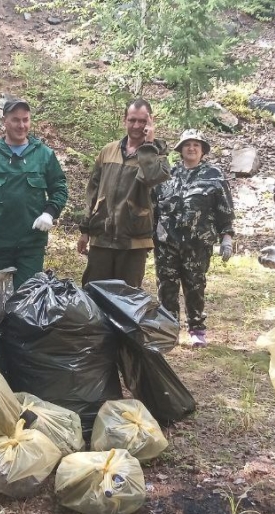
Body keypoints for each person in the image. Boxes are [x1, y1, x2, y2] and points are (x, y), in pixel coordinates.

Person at [0, 98, 68, 289]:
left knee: (27, 298)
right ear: (5, 121)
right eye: (16, 120)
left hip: (31, 243)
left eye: (25, 120)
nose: (21, 125)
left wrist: (49, 212)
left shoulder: (43, 155)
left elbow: (59, 187)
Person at [153, 129, 234, 348]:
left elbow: (224, 210)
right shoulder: (167, 174)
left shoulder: (214, 175)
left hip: (198, 244)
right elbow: (155, 207)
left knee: (195, 286)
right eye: (187, 144)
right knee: (166, 286)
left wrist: (226, 237)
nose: (191, 148)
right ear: (180, 149)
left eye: (196, 145)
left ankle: (196, 329)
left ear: (202, 150)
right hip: (166, 243)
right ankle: (169, 330)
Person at [77, 98, 170, 289]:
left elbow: (152, 178)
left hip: (133, 240)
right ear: (124, 120)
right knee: (94, 294)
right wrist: (85, 230)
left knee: (126, 301)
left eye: (142, 121)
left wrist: (149, 146)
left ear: (151, 122)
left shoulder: (157, 154)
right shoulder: (107, 151)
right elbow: (92, 191)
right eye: (132, 120)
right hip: (101, 238)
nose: (136, 126)